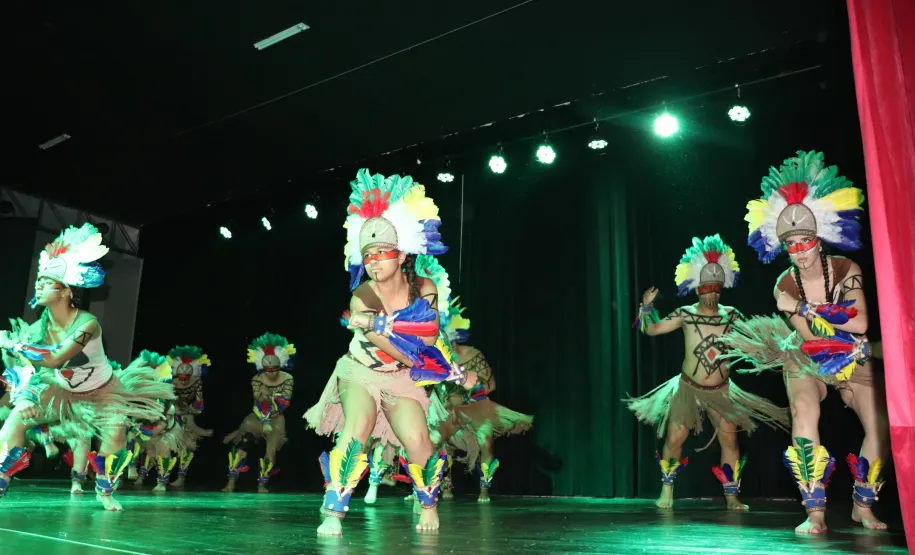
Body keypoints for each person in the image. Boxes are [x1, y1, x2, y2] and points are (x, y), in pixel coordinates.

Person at [722, 150, 889, 534]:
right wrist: (814, 316)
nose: (799, 252)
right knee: (802, 408)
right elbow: (813, 341)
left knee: (879, 425)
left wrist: (804, 307)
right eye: (791, 244)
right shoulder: (783, 283)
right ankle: (814, 510)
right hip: (808, 357)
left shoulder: (846, 269)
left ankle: (863, 504)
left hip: (853, 353)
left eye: (806, 241)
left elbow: (860, 321)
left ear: (821, 239)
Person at [304, 169, 477, 536]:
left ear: (402, 255)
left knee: (417, 439)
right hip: (360, 372)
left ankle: (428, 504)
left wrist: (446, 368)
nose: (374, 261)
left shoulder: (424, 287)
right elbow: (397, 344)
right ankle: (334, 509)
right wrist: (424, 361)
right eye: (368, 256)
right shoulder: (363, 294)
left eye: (382, 253)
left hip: (401, 379)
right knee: (357, 428)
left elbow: (429, 335)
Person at [0, 223, 174, 510]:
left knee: (116, 431)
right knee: (17, 417)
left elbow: (55, 357)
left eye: (46, 282)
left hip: (101, 392)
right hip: (59, 389)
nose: (38, 286)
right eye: (38, 281)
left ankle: (104, 490)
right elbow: (25, 367)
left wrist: (14, 345)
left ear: (66, 290)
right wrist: (26, 396)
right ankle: (2, 478)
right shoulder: (35, 329)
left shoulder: (87, 324)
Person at [627, 234, 790, 510]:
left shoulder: (732, 315)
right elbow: (652, 329)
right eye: (707, 289)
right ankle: (666, 490)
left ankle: (731, 496)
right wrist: (646, 307)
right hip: (688, 387)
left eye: (717, 288)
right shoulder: (686, 314)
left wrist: (777, 343)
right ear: (697, 289)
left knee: (729, 438)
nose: (713, 294)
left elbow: (754, 339)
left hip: (721, 390)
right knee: (675, 437)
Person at [426, 298, 534, 503]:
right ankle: (442, 487)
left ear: (453, 339)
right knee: (437, 440)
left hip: (476, 409)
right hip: (450, 410)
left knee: (485, 441)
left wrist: (470, 390)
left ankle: (484, 489)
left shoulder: (474, 355)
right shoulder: (437, 359)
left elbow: (490, 385)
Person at [222, 333, 294, 493]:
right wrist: (265, 416)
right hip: (256, 418)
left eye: (274, 369)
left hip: (276, 420)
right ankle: (231, 482)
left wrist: (270, 403)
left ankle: (262, 483)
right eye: (267, 369)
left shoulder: (288, 378)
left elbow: (285, 402)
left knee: (271, 451)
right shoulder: (257, 379)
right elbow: (260, 400)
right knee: (243, 445)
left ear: (280, 365)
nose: (270, 373)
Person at [165, 346, 214, 488]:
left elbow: (200, 401)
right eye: (181, 377)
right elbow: (168, 400)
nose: (184, 380)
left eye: (187, 377)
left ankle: (181, 477)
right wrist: (175, 409)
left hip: (189, 414)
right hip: (174, 413)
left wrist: (193, 409)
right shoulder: (172, 383)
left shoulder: (197, 381)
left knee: (186, 447)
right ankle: (162, 475)